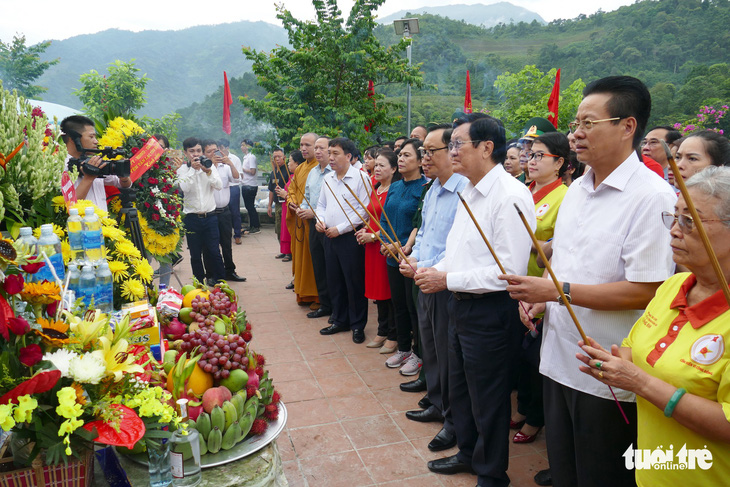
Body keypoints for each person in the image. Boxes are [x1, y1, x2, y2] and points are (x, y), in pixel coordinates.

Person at [501, 76, 677, 487]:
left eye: (588, 123)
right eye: (575, 122)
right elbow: (564, 257)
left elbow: (648, 290)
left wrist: (557, 293)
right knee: (565, 469)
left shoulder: (651, 197)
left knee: (601, 474)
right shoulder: (578, 188)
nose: (575, 133)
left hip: (608, 372)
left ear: (627, 126)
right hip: (560, 357)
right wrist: (543, 297)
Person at [578, 166, 730, 486]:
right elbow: (637, 352)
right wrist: (612, 363)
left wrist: (640, 383)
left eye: (690, 221)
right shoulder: (673, 286)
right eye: (674, 217)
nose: (674, 230)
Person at [414, 113, 535, 487]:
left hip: (491, 310)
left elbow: (509, 270)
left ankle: (492, 472)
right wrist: (436, 271)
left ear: (486, 147)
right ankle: (468, 452)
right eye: (449, 145)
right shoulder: (468, 188)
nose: (451, 152)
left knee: (489, 397)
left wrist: (446, 277)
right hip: (460, 302)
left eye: (456, 144)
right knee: (461, 388)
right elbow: (459, 250)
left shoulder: (511, 195)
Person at [400, 124, 467, 452]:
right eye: (422, 152)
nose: (424, 158)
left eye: (430, 151)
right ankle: (438, 403)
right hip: (424, 278)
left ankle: (453, 419)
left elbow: (457, 247)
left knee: (448, 352)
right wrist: (413, 260)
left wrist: (429, 269)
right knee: (431, 347)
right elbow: (426, 234)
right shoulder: (433, 190)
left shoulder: (465, 191)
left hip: (446, 283)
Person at [511, 132, 570, 447]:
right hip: (514, 286)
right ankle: (522, 409)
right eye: (529, 154)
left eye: (539, 156)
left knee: (535, 358)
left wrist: (542, 248)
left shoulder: (564, 197)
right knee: (519, 357)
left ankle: (535, 418)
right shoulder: (522, 190)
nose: (530, 161)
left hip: (542, 293)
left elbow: (559, 252)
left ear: (559, 162)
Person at [316, 137, 369, 344]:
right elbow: (321, 205)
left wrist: (340, 228)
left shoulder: (361, 178)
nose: (331, 157)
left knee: (353, 282)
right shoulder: (328, 178)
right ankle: (339, 320)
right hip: (329, 236)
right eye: (330, 153)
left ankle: (357, 324)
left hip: (350, 237)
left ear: (349, 156)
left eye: (335, 153)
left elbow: (364, 212)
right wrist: (321, 221)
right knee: (335, 280)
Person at [381, 138, 427, 376]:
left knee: (412, 307)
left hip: (411, 257)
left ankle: (418, 354)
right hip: (391, 255)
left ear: (420, 161)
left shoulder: (424, 188)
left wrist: (401, 246)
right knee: (397, 304)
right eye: (400, 155)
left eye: (407, 155)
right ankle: (403, 348)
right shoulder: (396, 186)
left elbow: (419, 224)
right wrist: (384, 241)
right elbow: (383, 218)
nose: (400, 159)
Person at [356, 149, 399, 353]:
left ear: (394, 169)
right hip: (371, 248)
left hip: (384, 246)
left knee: (387, 290)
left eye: (382, 165)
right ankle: (382, 330)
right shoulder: (376, 187)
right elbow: (372, 215)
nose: (377, 168)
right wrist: (365, 229)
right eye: (377, 165)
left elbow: (391, 223)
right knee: (376, 290)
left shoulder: (395, 190)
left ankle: (393, 334)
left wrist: (373, 236)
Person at [176, 137, 225, 285]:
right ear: (185, 153)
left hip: (210, 217)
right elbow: (184, 188)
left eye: (198, 150)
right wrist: (193, 170)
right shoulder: (182, 169)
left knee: (214, 252)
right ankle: (198, 284)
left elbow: (219, 185)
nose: (195, 154)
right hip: (192, 218)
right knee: (195, 255)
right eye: (191, 151)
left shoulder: (209, 166)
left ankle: (221, 282)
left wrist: (208, 171)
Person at [60, 115, 132, 211]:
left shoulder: (94, 161)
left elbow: (123, 184)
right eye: (91, 137)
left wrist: (124, 177)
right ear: (73, 139)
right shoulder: (59, 166)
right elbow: (70, 206)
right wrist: (88, 178)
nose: (96, 141)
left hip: (103, 224)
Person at [297, 136, 334, 319]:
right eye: (316, 148)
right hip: (313, 225)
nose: (317, 151)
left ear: (331, 151)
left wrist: (315, 213)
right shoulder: (312, 172)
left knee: (332, 267)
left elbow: (335, 204)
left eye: (321, 148)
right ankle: (324, 304)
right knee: (318, 264)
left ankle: (337, 306)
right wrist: (303, 209)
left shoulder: (334, 173)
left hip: (330, 226)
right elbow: (307, 196)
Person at [200, 140, 245, 283]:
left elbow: (237, 178)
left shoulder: (226, 167)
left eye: (216, 150)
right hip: (210, 213)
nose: (214, 154)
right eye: (210, 151)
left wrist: (230, 163)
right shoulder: (203, 169)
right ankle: (211, 275)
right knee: (210, 246)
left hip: (225, 211)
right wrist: (210, 165)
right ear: (204, 154)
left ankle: (230, 271)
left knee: (226, 244)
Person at [286, 133, 320, 304]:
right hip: (299, 218)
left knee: (313, 260)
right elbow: (291, 190)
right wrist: (291, 202)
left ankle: (317, 296)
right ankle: (303, 293)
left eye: (308, 145)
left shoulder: (320, 169)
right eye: (301, 145)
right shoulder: (300, 168)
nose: (304, 148)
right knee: (301, 259)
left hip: (313, 220)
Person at [277, 152, 304, 266]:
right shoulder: (292, 176)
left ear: (297, 163)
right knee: (283, 230)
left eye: (290, 161)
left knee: (290, 232)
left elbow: (299, 196)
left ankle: (290, 252)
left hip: (296, 209)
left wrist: (285, 195)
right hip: (287, 206)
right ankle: (285, 251)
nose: (288, 164)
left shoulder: (299, 176)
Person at [219, 138, 244, 245]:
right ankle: (222, 235)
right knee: (222, 212)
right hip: (221, 188)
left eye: (221, 148)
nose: (220, 150)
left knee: (235, 212)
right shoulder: (215, 159)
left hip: (233, 187)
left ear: (227, 148)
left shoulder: (235, 159)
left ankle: (237, 235)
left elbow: (240, 175)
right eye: (218, 148)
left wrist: (230, 165)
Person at [267, 148, 288, 257]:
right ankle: (283, 250)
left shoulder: (288, 170)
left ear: (284, 158)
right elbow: (271, 190)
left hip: (287, 203)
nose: (277, 159)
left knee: (286, 229)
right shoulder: (273, 173)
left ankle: (289, 252)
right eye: (275, 157)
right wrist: (269, 205)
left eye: (279, 156)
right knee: (278, 229)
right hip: (277, 204)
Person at [239, 139, 260, 234]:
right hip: (246, 184)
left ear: (248, 146)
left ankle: (255, 226)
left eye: (243, 145)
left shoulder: (251, 157)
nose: (241, 147)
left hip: (250, 186)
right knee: (249, 207)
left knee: (250, 207)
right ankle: (252, 225)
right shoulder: (246, 157)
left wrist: (242, 169)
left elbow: (252, 171)